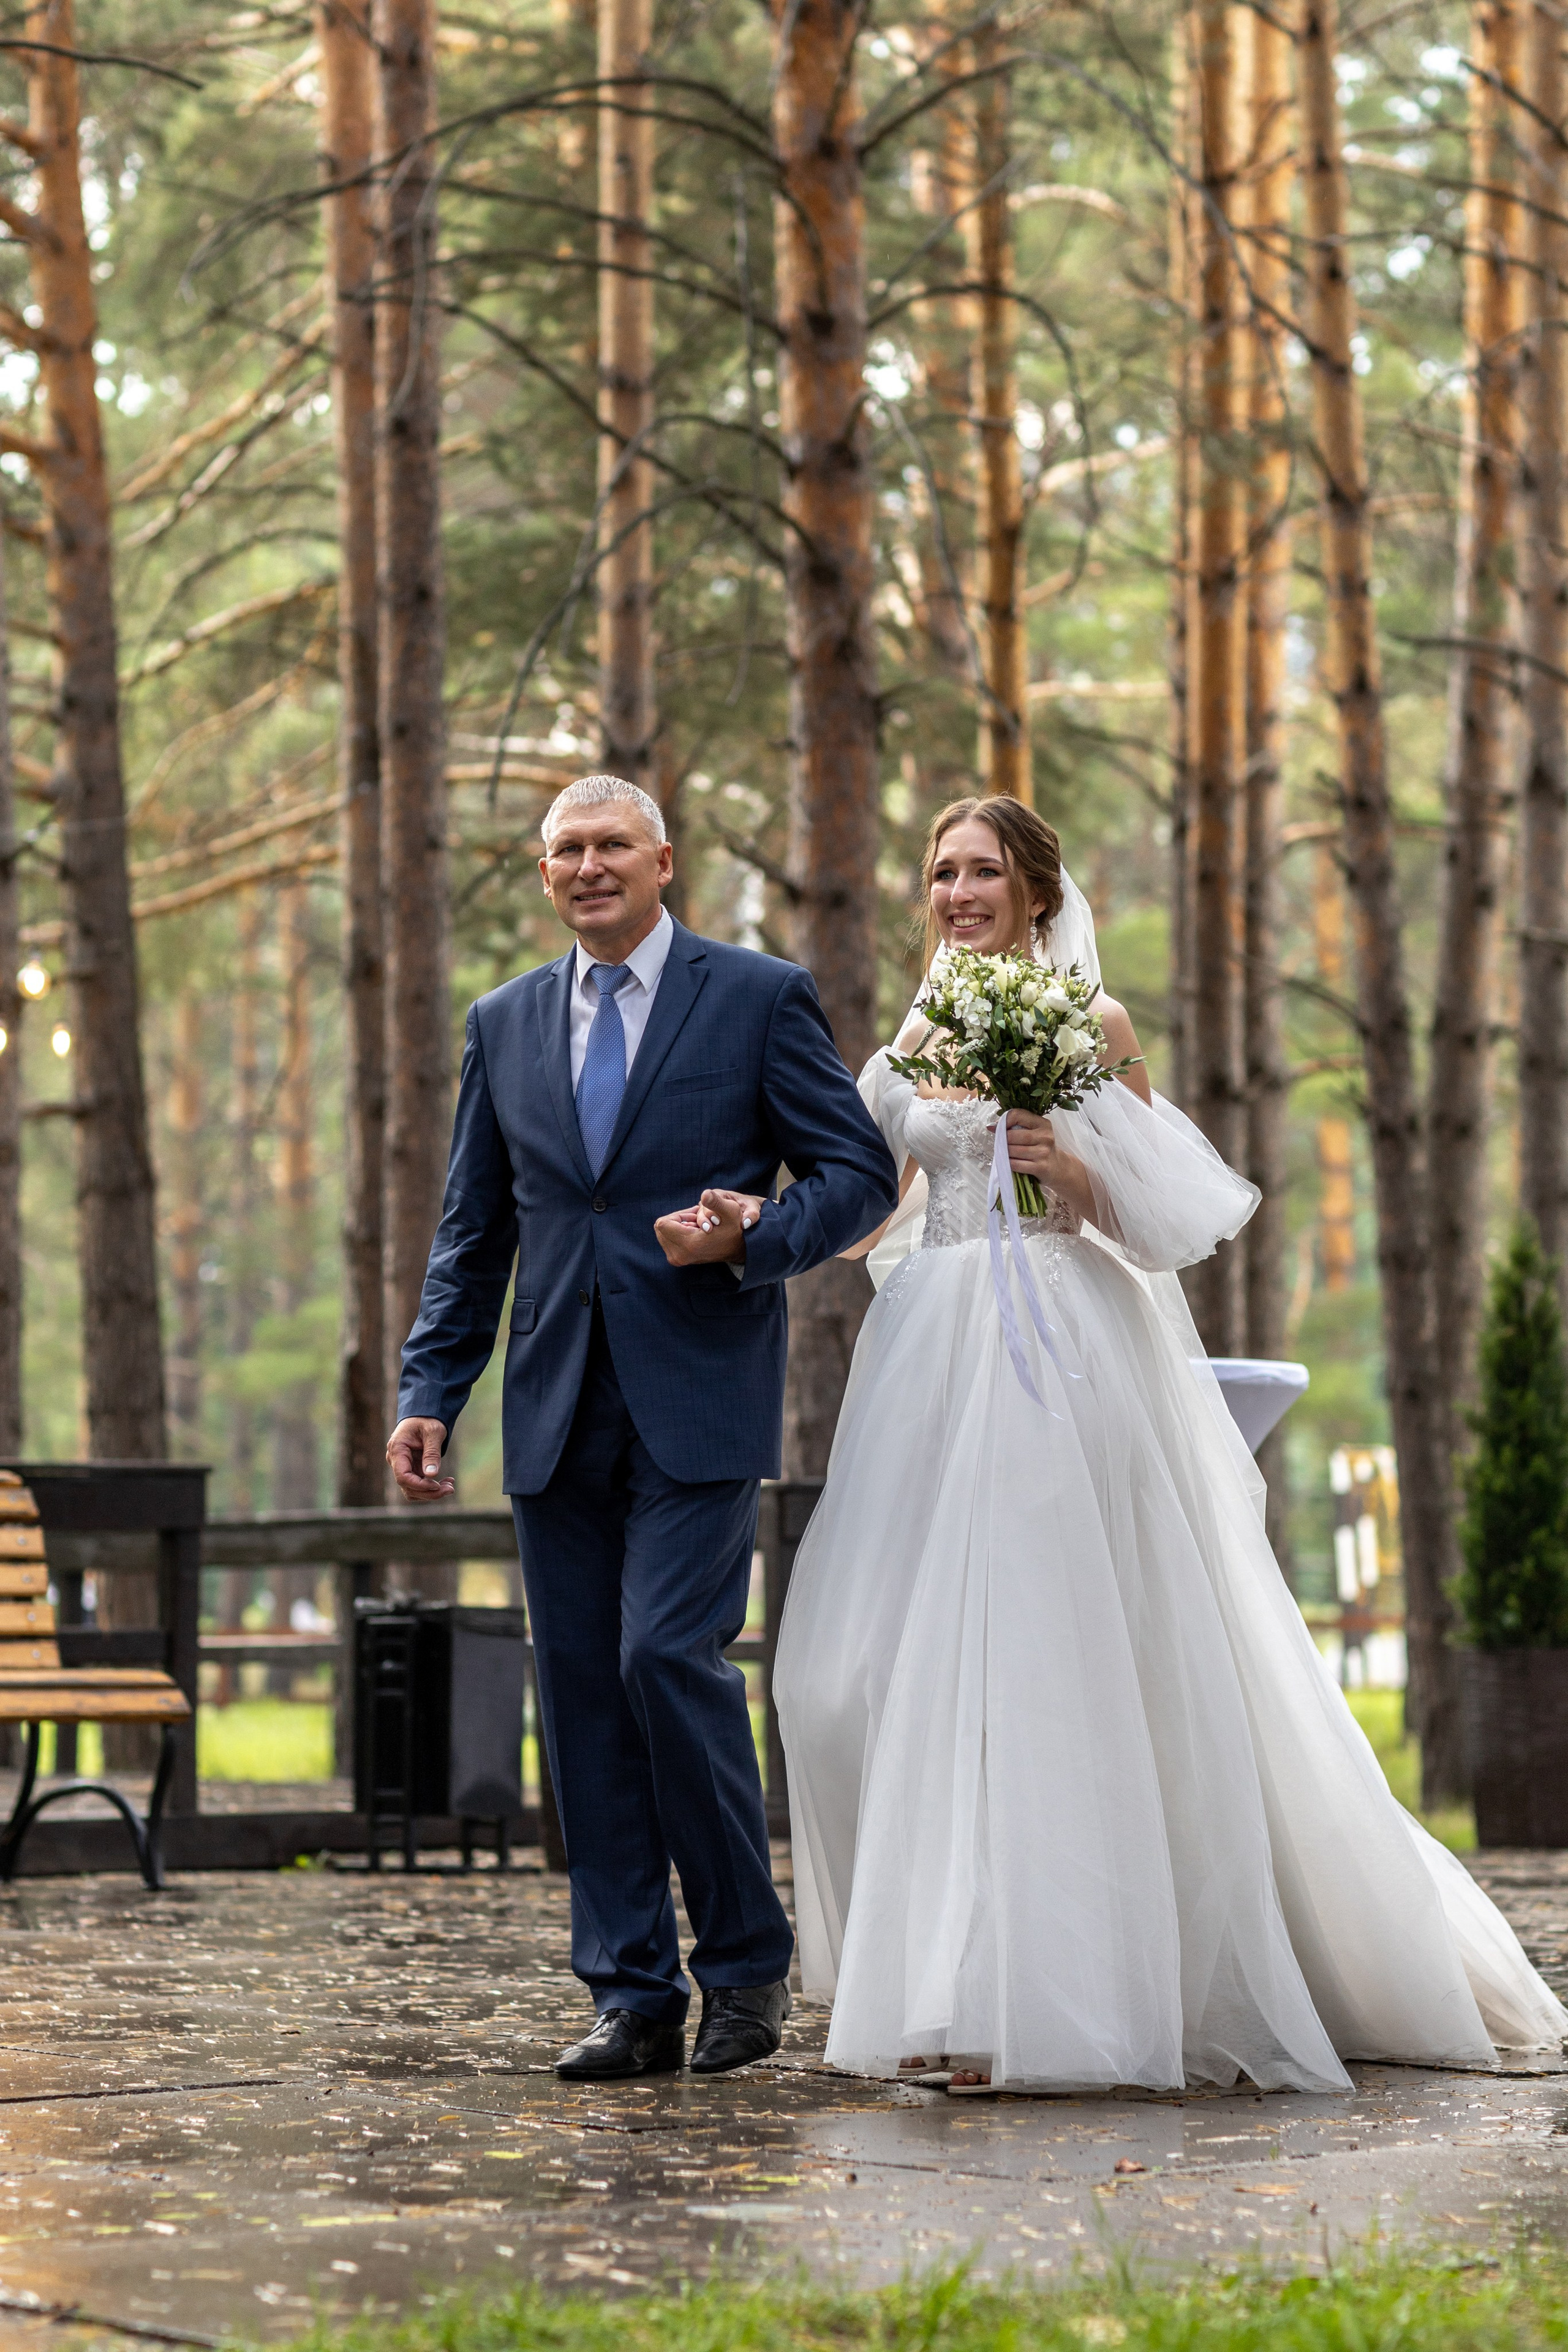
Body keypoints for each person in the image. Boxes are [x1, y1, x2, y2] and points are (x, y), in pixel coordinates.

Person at [763, 795, 1568, 2096]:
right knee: (855, 1677)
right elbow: (869, 1215)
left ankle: (1020, 1999)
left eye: (980, 872)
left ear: (1037, 890)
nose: (956, 892)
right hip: (928, 1358)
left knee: (1036, 1664)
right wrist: (758, 1224)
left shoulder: (1095, 1027)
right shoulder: (913, 1034)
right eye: (939, 872)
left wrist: (1065, 1173)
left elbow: (1161, 1223)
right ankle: (926, 1968)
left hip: (1059, 1354)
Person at [385, 774, 899, 2082]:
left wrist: (754, 1238)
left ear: (662, 860)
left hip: (697, 1395)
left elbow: (854, 1174)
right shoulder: (502, 1024)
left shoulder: (755, 997)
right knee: (579, 1697)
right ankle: (631, 1992)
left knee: (666, 1660)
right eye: (565, 851)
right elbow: (472, 1231)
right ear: (542, 873)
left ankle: (742, 1969)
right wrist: (429, 1391)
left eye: (611, 844)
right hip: (552, 1406)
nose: (587, 866)